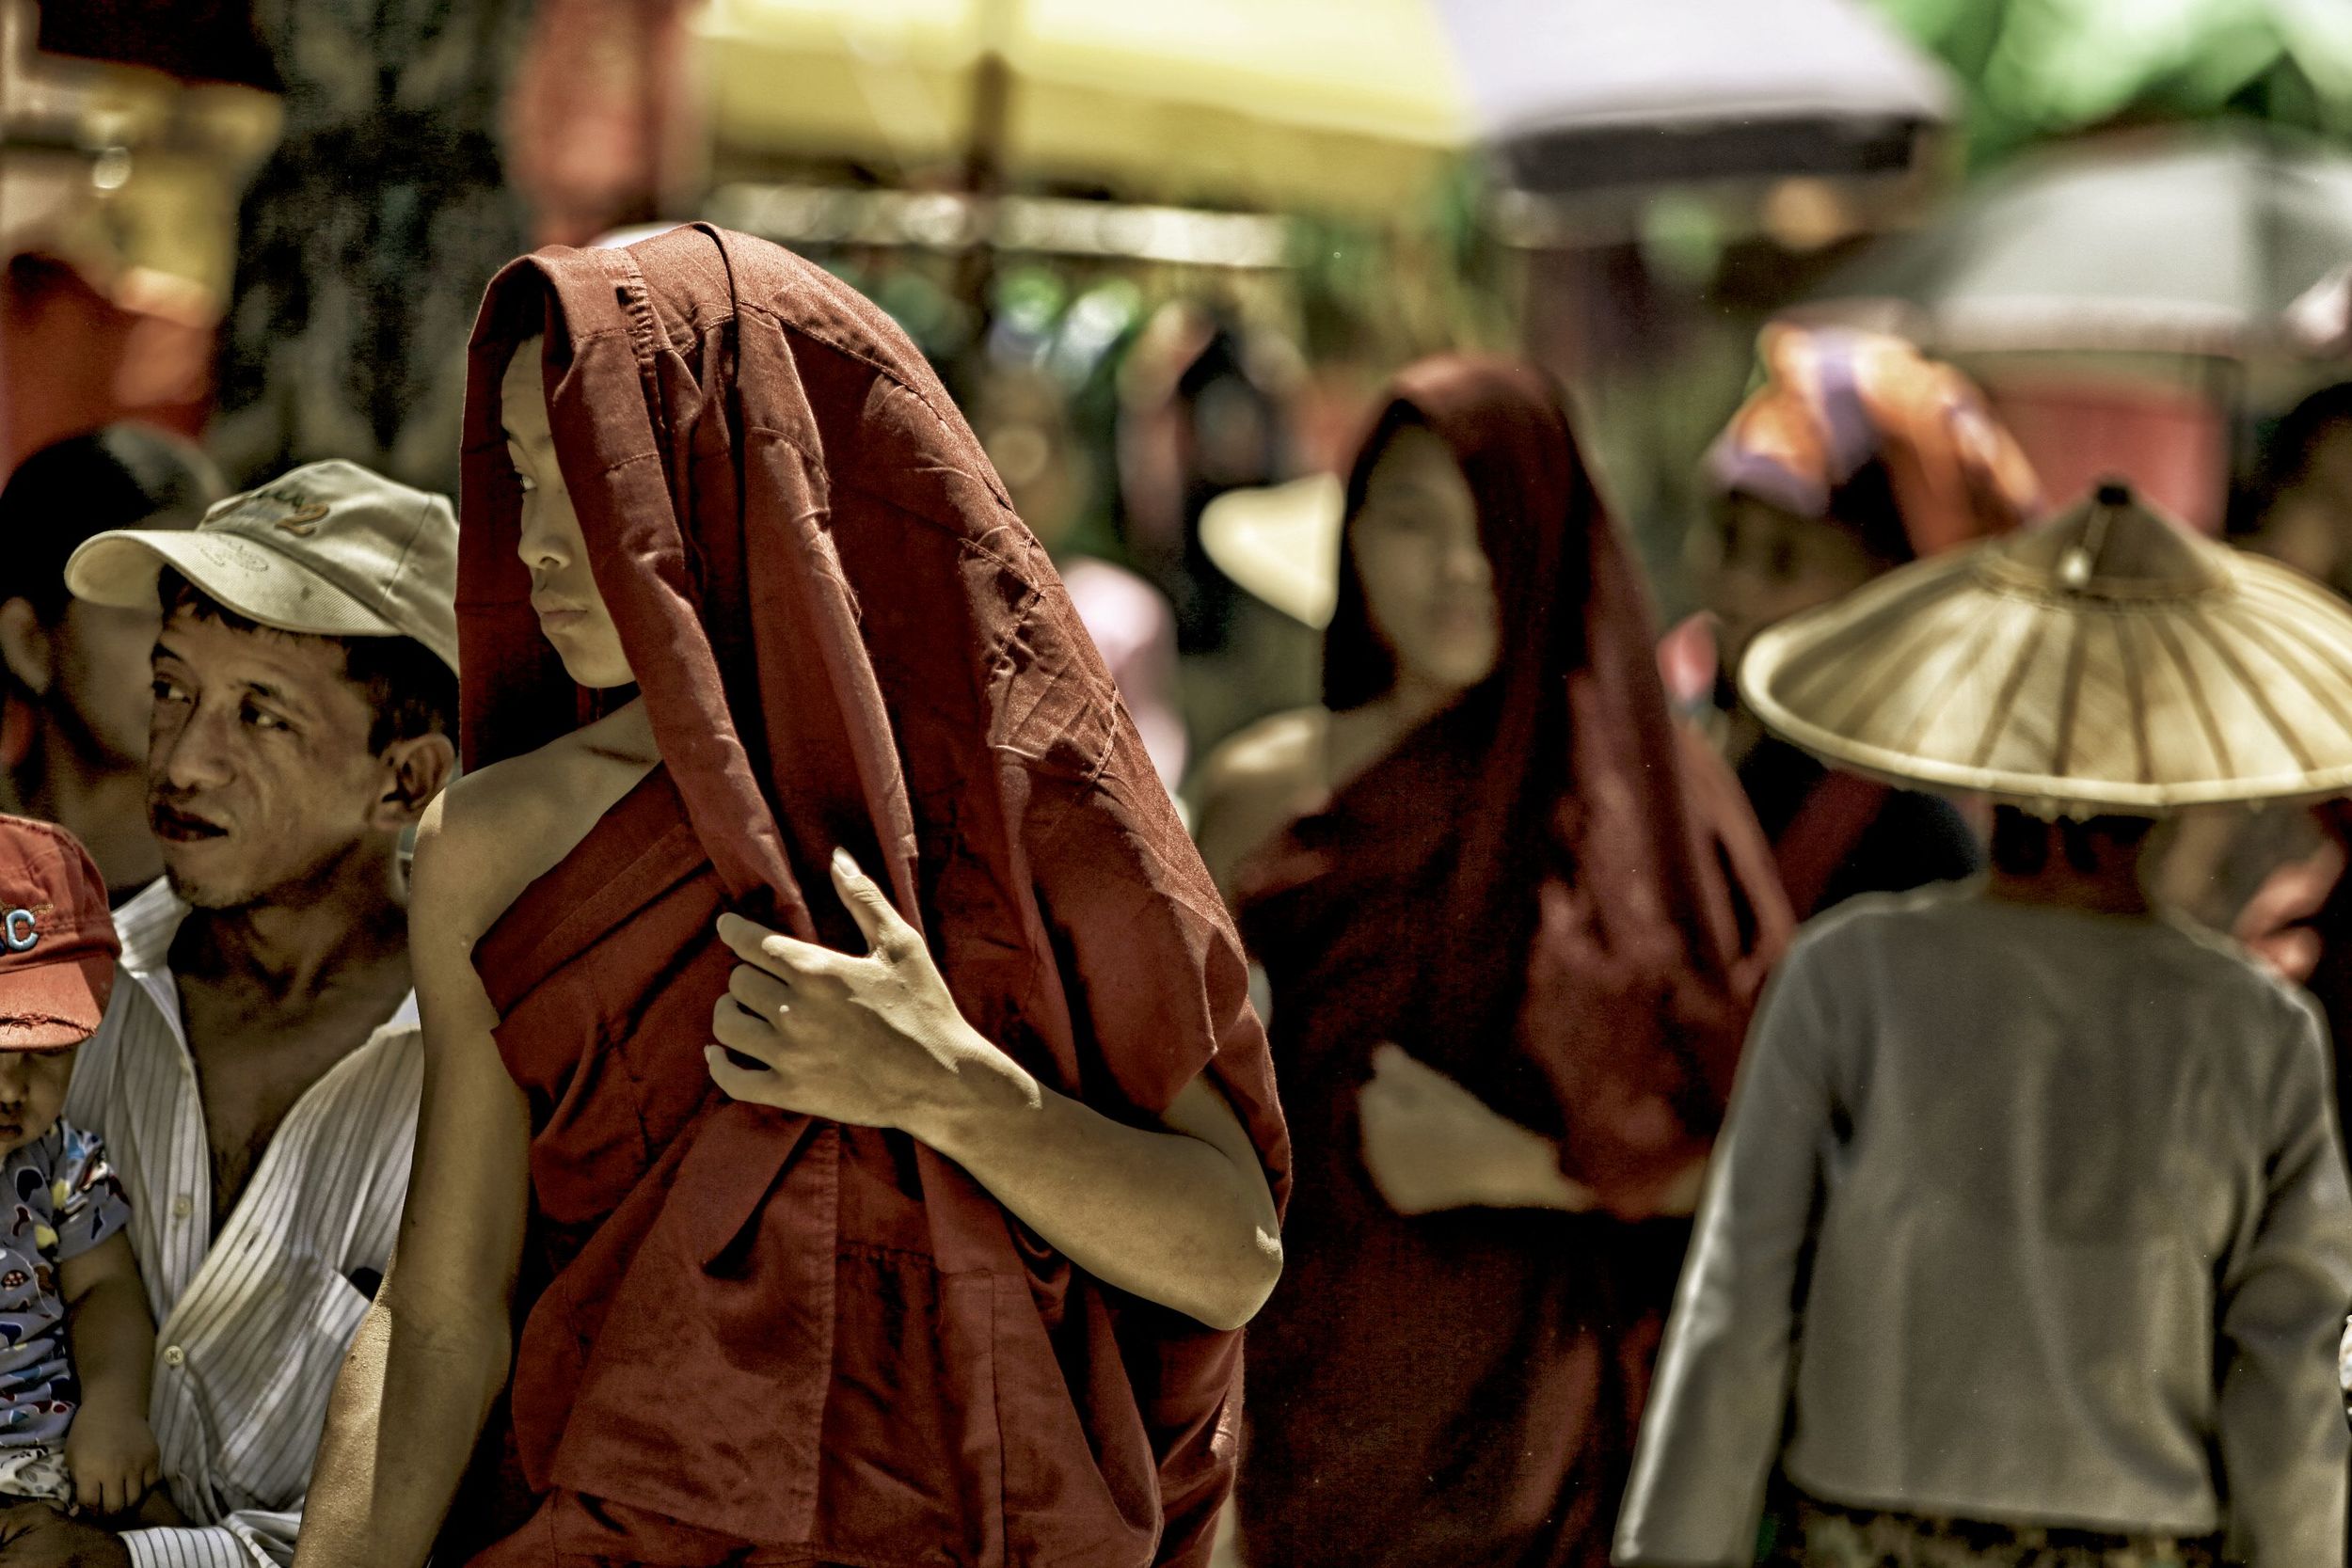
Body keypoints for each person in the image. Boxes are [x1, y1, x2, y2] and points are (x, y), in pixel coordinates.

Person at [294, 223, 1288, 1567]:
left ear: (731, 472)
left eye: (586, 472)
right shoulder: (502, 838)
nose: (532, 542)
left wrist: (945, 1086)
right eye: (519, 480)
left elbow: (1230, 1250)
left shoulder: (1020, 805)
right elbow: (443, 1302)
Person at [1617, 483, 2352, 1567]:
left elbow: (1737, 1315)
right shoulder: (2255, 1032)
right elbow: (2287, 1381)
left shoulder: (1850, 974)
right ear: (2170, 779)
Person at [1194, 356, 1788, 1568]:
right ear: (1352, 529)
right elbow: (1164, 1081)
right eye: (1412, 517)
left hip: (1549, 1423)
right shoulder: (1264, 791)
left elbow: (1769, 1147)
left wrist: (1529, 1170)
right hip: (1311, 1391)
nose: (1458, 566)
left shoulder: (1652, 810)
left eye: (1494, 524)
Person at [0, 460, 459, 1566]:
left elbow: (436, 1509)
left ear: (405, 781)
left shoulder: (477, 1075)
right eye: (172, 688)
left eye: (260, 713)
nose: (186, 759)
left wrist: (128, 1561)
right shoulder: (58, 1006)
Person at [1702, 325, 2040, 917]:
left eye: (1784, 562)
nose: (1737, 592)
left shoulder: (1918, 841)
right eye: (1729, 545)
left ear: (1889, 592)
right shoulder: (1709, 758)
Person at [0, 816, 156, 1518]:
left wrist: (115, 1407)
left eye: (48, 1050)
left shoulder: (63, 1166)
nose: (12, 1087)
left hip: (42, 1471)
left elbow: (107, 1292)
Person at [0, 428, 223, 903]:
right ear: (30, 643)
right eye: (145, 616)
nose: (191, 655)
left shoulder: (267, 882)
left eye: (210, 614)